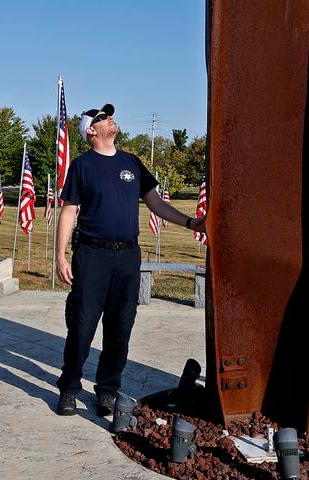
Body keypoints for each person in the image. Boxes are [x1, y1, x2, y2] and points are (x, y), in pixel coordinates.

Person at [55, 103, 206, 416]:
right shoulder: (82, 166)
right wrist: (60, 255)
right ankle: (69, 388)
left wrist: (190, 223)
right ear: (91, 131)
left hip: (127, 256)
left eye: (109, 115)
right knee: (82, 327)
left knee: (120, 327)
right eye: (102, 117)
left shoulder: (132, 163)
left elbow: (156, 205)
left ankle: (108, 390)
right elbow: (69, 211)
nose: (110, 119)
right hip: (92, 255)